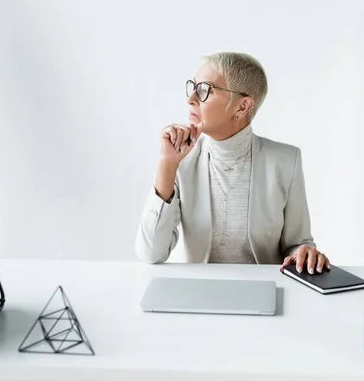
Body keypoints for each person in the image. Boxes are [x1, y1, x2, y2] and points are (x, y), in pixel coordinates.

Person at [135, 52, 330, 274]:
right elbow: (151, 253)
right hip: (198, 292)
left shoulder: (286, 161)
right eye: (193, 87)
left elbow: (297, 244)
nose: (191, 99)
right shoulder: (181, 161)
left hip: (264, 289)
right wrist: (166, 165)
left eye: (204, 90)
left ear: (242, 106)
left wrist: (305, 254)